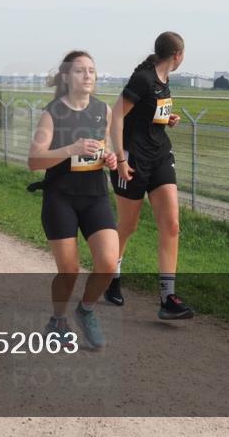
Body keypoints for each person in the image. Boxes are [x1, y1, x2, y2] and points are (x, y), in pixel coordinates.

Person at [28, 51, 118, 348]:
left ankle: (86, 310)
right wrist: (71, 149)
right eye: (80, 70)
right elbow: (34, 160)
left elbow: (104, 148)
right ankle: (57, 320)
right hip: (60, 198)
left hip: (95, 196)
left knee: (108, 264)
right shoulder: (52, 113)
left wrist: (109, 158)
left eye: (91, 70)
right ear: (66, 77)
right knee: (69, 271)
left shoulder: (103, 110)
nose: (88, 75)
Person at [106, 32, 194, 320]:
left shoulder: (163, 81)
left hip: (159, 157)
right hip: (132, 161)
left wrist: (166, 119)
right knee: (127, 226)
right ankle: (111, 275)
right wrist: (120, 159)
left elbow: (147, 113)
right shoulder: (143, 79)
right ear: (178, 55)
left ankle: (168, 297)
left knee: (171, 225)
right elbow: (117, 116)